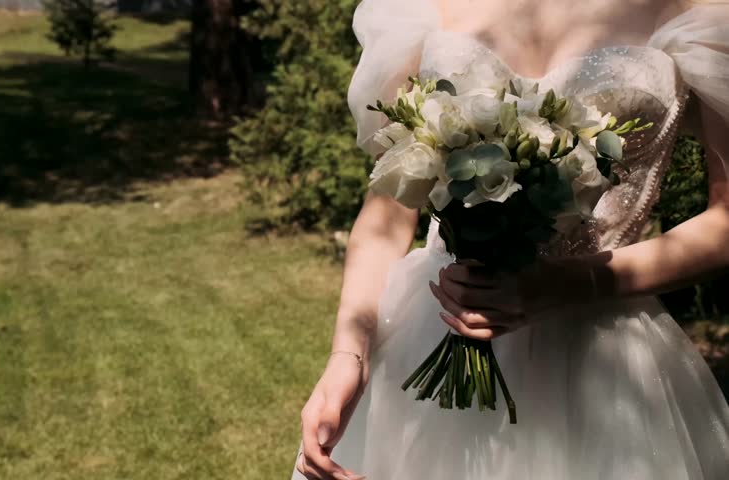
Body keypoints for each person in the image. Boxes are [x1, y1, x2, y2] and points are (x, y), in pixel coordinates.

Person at [293, 0, 729, 479]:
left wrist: (564, 284)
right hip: (432, 323)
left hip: (598, 354)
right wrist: (347, 355)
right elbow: (387, 213)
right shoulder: (421, 6)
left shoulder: (699, 10)